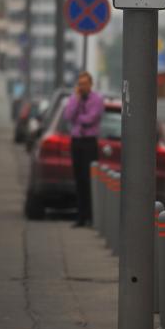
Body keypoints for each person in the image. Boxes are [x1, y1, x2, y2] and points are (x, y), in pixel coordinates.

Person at [64, 72, 104, 227]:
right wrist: (77, 100)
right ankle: (80, 216)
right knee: (78, 179)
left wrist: (78, 119)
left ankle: (90, 216)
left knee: (89, 179)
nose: (82, 86)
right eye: (80, 84)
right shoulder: (74, 99)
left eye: (85, 83)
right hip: (76, 141)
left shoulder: (97, 99)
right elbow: (68, 116)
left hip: (89, 142)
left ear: (91, 84)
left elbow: (92, 118)